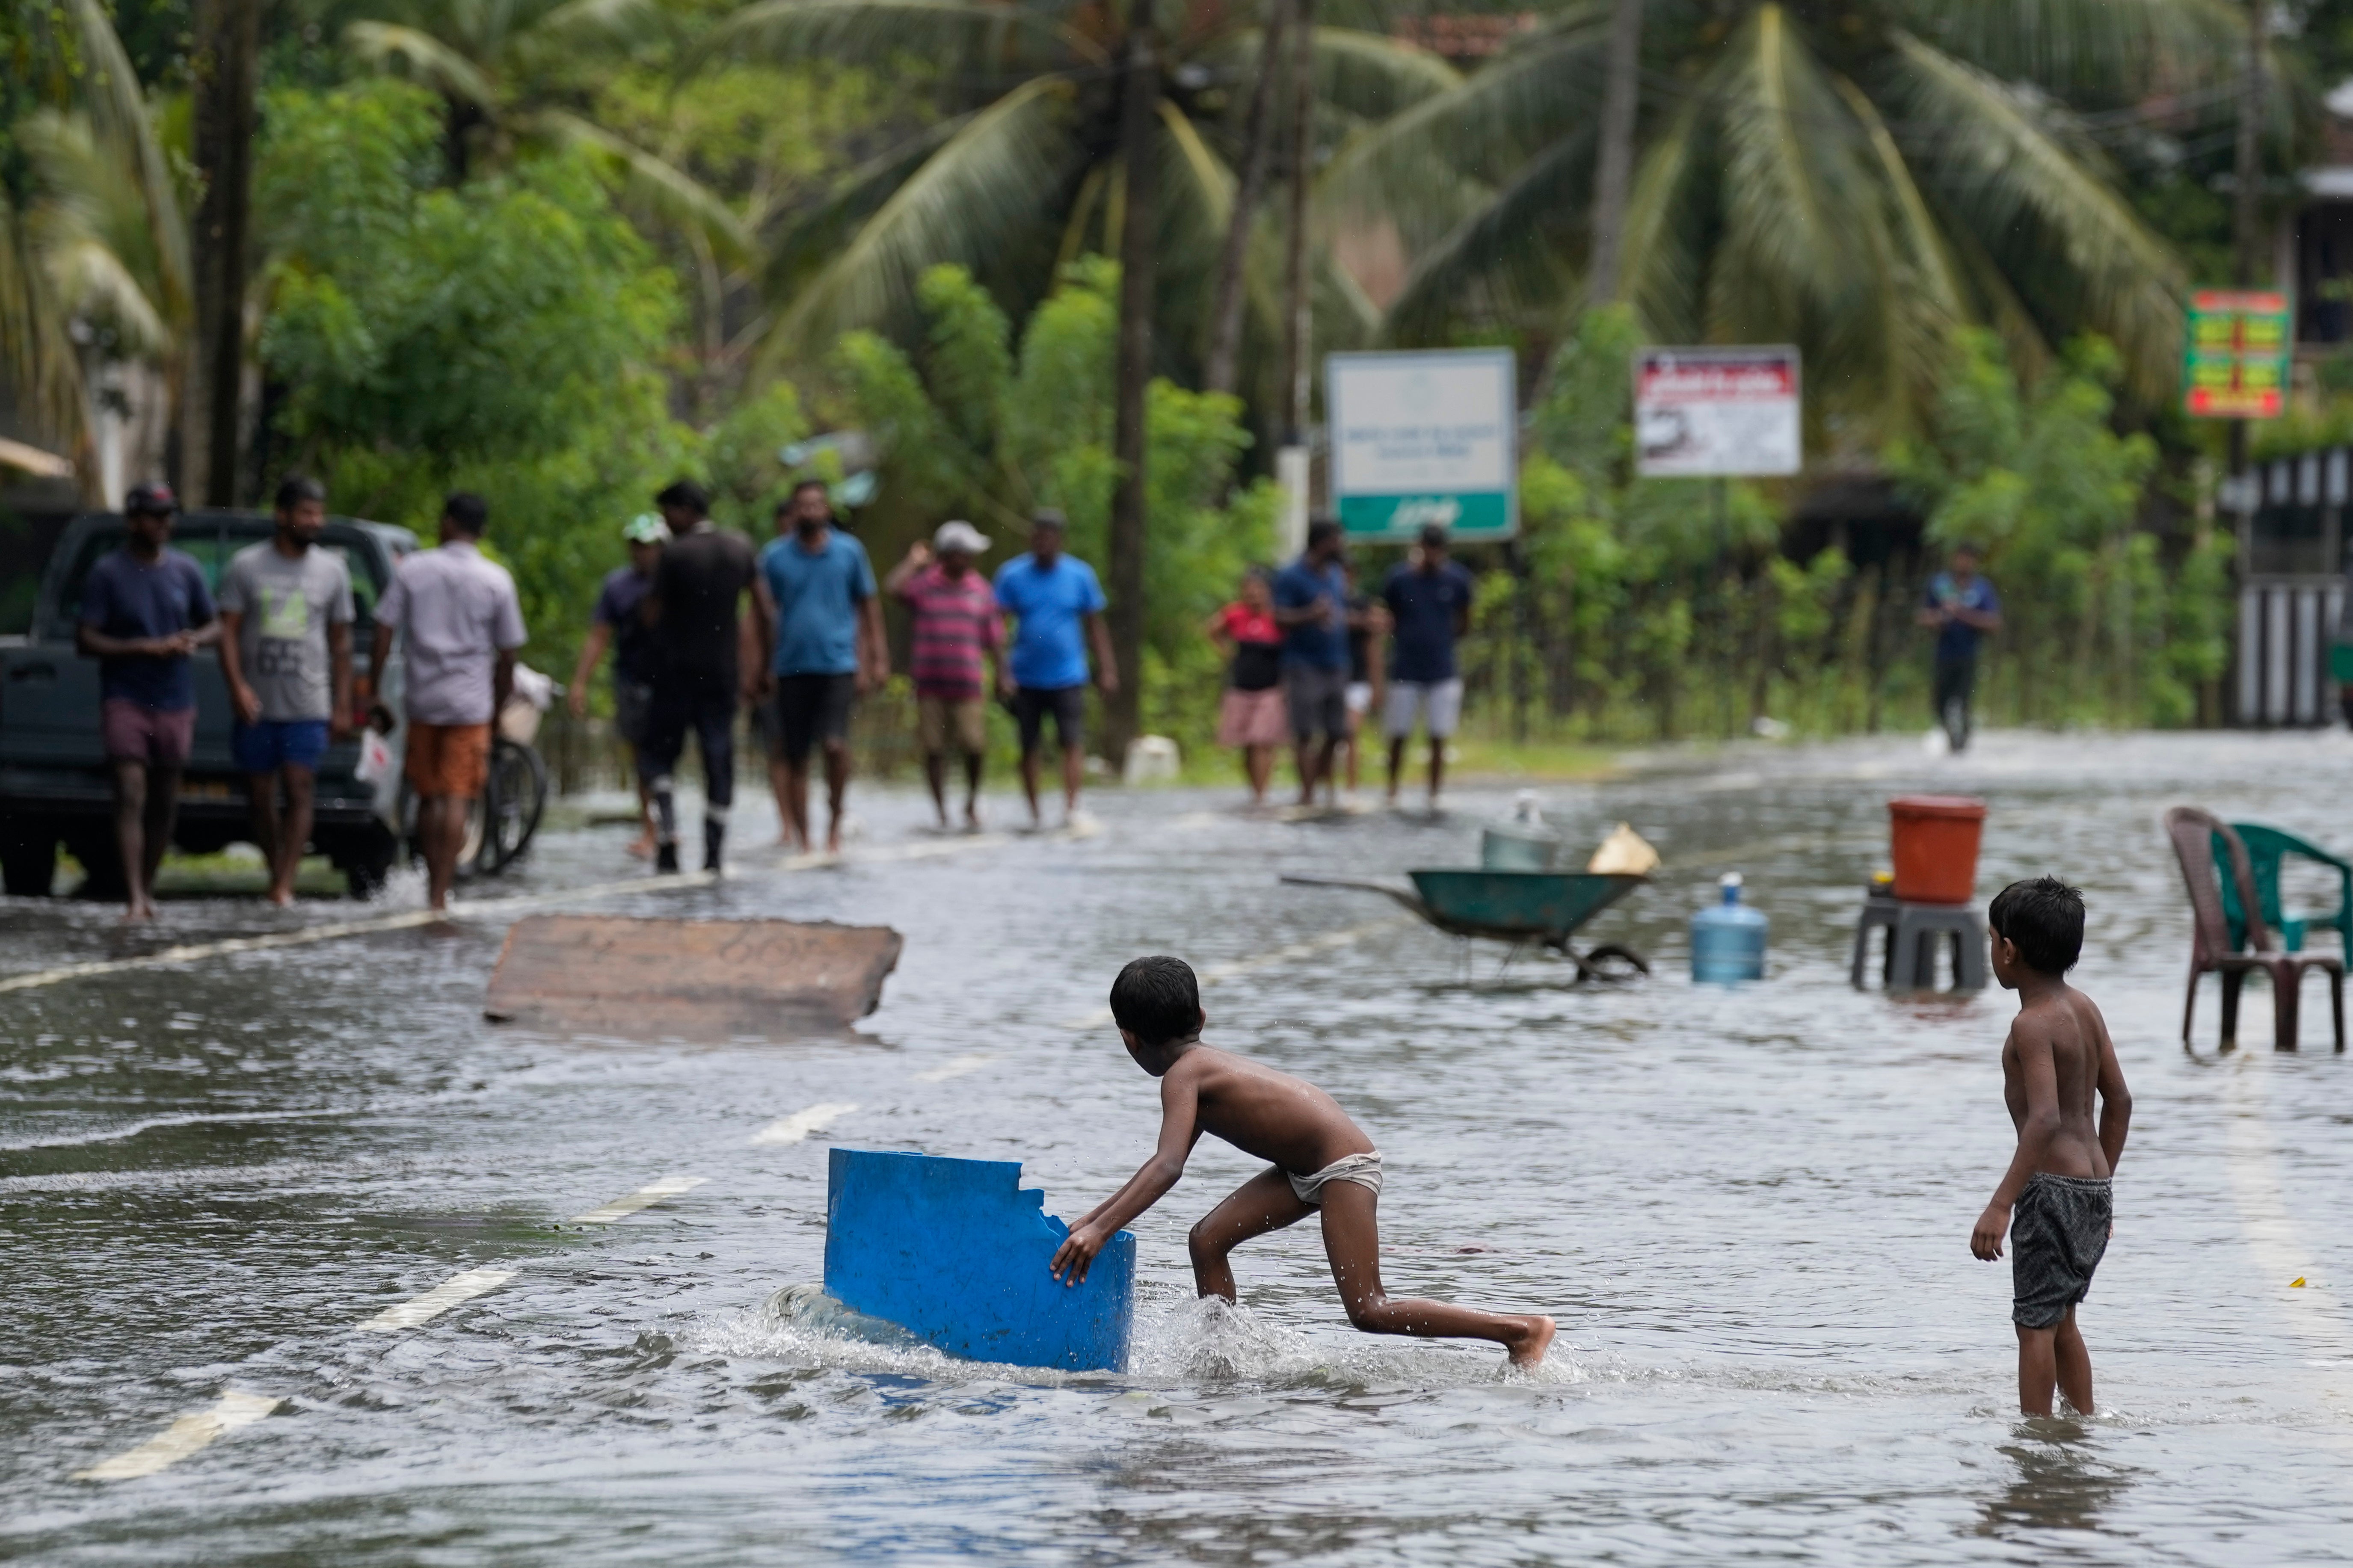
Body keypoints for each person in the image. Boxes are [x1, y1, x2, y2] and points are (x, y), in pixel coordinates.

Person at [1047, 955, 1556, 1369]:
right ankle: (1218, 1360)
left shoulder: (1183, 1077)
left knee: (1369, 1309)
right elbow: (1160, 1164)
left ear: (1128, 1038)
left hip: (1344, 1170)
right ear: (1201, 1019)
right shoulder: (1200, 1070)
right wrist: (1094, 1220)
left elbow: (1167, 1167)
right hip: (1305, 1170)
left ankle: (1519, 1331)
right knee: (1207, 1241)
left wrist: (1102, 1231)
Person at [1969, 877, 2131, 1418]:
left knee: (2033, 1323)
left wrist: (2001, 1203)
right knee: (2061, 1318)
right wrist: (2100, 1188)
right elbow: (2121, 1102)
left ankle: (2036, 1441)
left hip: (2052, 1192)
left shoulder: (2031, 1025)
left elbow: (2043, 1120)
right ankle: (2081, 1425)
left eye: (1992, 940)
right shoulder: (2084, 1008)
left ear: (2008, 951)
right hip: (2092, 1185)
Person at [365, 492, 526, 912]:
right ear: (481, 531)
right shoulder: (496, 580)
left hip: (422, 700)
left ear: (448, 523)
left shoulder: (414, 570)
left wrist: (375, 690)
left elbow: (383, 630)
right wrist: (497, 705)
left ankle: (429, 886)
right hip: (470, 705)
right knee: (457, 797)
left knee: (428, 795)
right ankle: (440, 892)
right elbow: (508, 655)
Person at [75, 482, 217, 920]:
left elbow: (216, 625)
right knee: (131, 791)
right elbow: (86, 638)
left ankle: (149, 887)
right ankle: (133, 894)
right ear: (133, 521)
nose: (163, 524)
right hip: (126, 696)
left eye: (168, 516)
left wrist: (192, 640)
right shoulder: (108, 573)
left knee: (165, 798)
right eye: (155, 516)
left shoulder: (186, 570)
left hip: (175, 699)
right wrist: (141, 648)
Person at [217, 474, 355, 905]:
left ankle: (284, 883)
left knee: (299, 786)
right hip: (258, 702)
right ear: (282, 515)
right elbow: (227, 633)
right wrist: (237, 687)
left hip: (309, 701)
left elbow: (342, 642)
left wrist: (343, 704)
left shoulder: (333, 570)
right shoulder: (246, 566)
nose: (316, 521)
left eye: (319, 513)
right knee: (259, 796)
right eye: (306, 513)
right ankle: (275, 863)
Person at [751, 479, 886, 855]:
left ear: (827, 510)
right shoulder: (775, 558)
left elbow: (868, 607)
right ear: (793, 512)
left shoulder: (849, 553)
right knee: (796, 754)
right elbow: (760, 616)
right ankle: (805, 839)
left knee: (835, 744)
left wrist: (877, 658)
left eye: (817, 505)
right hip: (791, 666)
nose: (810, 512)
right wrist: (757, 667)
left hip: (838, 664)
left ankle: (834, 825)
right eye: (803, 506)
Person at [640, 479, 756, 873]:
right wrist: (763, 668)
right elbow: (767, 611)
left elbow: (652, 614)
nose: (666, 522)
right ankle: (713, 854)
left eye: (669, 513)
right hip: (722, 675)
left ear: (686, 510)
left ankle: (669, 830)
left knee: (658, 756)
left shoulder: (675, 555)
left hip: (675, 674)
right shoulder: (739, 548)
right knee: (718, 756)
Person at [993, 509, 1116, 829]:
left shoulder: (1080, 576)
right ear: (1031, 538)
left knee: (1072, 741)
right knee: (1028, 744)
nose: (1043, 543)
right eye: (1038, 536)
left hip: (1068, 675)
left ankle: (1072, 807)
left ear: (1060, 541)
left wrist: (1107, 669)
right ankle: (1034, 812)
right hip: (1025, 676)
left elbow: (1095, 626)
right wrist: (1001, 670)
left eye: (1050, 537)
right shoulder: (1012, 575)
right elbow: (998, 627)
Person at [886, 519, 1002, 831]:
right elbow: (893, 588)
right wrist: (913, 562)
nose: (970, 559)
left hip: (968, 685)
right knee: (933, 749)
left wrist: (1004, 674)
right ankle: (941, 812)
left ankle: (972, 801)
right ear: (950, 554)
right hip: (930, 685)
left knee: (974, 745)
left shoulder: (981, 590)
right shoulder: (924, 585)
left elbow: (994, 638)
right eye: (965, 552)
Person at [568, 514, 669, 858]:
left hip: (674, 681)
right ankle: (651, 829)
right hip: (632, 680)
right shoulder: (618, 586)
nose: (643, 553)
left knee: (666, 755)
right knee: (642, 756)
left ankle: (669, 826)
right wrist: (580, 682)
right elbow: (599, 636)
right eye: (637, 546)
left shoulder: (676, 581)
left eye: (650, 546)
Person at [1382, 524, 1475, 809]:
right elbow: (1391, 616)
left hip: (1442, 667)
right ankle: (1393, 790)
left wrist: (1444, 639)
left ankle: (1434, 793)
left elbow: (1465, 619)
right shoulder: (1400, 579)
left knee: (1438, 734)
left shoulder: (1457, 580)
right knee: (1399, 732)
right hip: (1406, 666)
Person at [1271, 518, 1351, 807]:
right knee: (1305, 731)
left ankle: (1320, 780)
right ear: (1321, 542)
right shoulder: (1290, 576)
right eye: (1336, 539)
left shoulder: (1335, 574)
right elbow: (1278, 617)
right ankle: (1307, 794)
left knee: (1338, 731)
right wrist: (1309, 615)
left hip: (1336, 661)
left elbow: (1339, 614)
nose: (1341, 545)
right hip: (1302, 662)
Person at [1205, 567, 1285, 805]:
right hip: (1241, 687)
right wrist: (1226, 652)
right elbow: (1212, 629)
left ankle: (1262, 795)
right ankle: (1254, 790)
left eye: (1259, 589)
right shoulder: (1235, 614)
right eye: (1249, 589)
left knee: (1263, 741)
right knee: (1247, 743)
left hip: (1270, 688)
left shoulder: (1278, 617)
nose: (1253, 594)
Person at [1918, 543, 2001, 752]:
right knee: (1940, 703)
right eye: (1960, 558)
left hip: (1969, 655)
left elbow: (1994, 623)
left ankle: (1961, 745)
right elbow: (1923, 617)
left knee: (1963, 702)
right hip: (1943, 654)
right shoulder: (1939, 585)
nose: (1964, 563)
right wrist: (1941, 618)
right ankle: (1949, 739)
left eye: (1968, 559)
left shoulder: (1982, 589)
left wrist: (1963, 614)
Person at [1340, 561, 1388, 797]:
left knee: (1350, 732)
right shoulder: (1322, 602)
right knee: (1328, 735)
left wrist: (1377, 683)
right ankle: (1327, 787)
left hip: (1357, 678)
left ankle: (1351, 786)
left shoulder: (1362, 605)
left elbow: (1373, 646)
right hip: (1329, 675)